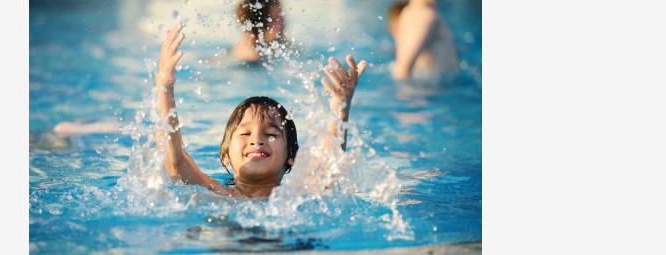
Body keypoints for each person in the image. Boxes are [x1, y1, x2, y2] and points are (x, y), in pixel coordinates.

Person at [155, 23, 367, 198]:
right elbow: (175, 162)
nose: (256, 140)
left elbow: (328, 165)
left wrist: (340, 106)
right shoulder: (215, 194)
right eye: (245, 133)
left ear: (291, 157)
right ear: (225, 155)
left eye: (271, 134)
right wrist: (164, 87)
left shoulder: (298, 196)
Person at [388, 0, 459, 80]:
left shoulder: (418, 12)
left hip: (436, 87)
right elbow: (402, 70)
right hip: (438, 90)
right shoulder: (423, 15)